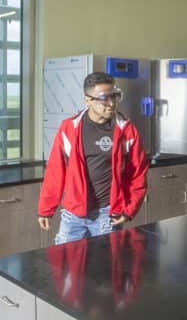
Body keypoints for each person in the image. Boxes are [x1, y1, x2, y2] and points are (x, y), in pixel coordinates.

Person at [38, 72, 149, 244]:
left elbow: (137, 174)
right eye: (104, 98)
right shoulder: (69, 128)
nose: (111, 104)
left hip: (107, 213)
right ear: (87, 100)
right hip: (72, 214)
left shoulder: (127, 131)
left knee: (104, 268)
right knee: (67, 266)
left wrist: (129, 210)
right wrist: (46, 209)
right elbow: (55, 171)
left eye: (115, 96)